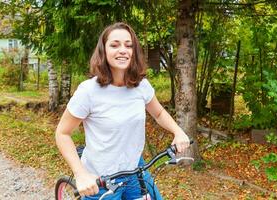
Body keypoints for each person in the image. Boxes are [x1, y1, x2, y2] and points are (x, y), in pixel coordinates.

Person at [55, 22, 190, 200]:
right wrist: (81, 174)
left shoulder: (141, 85)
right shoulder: (88, 91)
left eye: (128, 45)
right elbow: (62, 133)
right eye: (115, 45)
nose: (123, 50)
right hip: (101, 180)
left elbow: (158, 113)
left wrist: (178, 131)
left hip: (135, 170)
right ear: (103, 50)